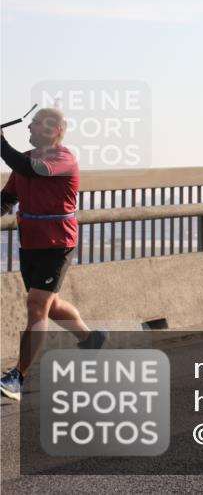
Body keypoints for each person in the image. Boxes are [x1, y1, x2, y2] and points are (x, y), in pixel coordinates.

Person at [0, 108, 107, 401]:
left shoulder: (63, 158)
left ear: (54, 129)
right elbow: (8, 198)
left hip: (57, 243)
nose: (30, 128)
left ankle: (17, 378)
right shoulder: (25, 158)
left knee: (36, 305)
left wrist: (1, 144)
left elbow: (32, 169)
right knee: (50, 304)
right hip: (30, 243)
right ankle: (91, 338)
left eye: (34, 124)